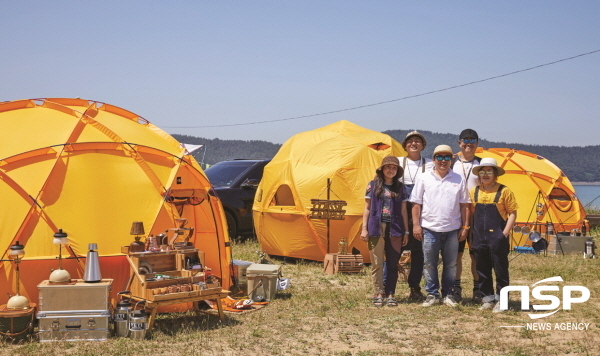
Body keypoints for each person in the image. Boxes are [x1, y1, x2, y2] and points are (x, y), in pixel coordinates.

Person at [410, 145, 471, 307]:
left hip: (452, 229)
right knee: (429, 263)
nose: (443, 161)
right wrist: (416, 225)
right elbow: (416, 204)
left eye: (447, 157)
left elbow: (465, 205)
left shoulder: (459, 178)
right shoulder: (424, 177)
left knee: (451, 264)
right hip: (429, 229)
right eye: (440, 157)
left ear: (452, 159)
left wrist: (465, 227)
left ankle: (448, 294)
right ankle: (432, 294)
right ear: (434, 159)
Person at [470, 158, 518, 312]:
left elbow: (512, 214)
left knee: (501, 269)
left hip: (498, 237)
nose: (485, 174)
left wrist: (504, 234)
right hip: (478, 236)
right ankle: (487, 298)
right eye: (482, 172)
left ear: (495, 174)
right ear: (479, 175)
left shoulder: (505, 191)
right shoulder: (474, 191)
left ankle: (502, 301)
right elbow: (471, 214)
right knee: (482, 269)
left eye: (489, 171)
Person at [361, 156, 409, 307]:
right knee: (377, 263)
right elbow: (367, 208)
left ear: (397, 171)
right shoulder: (372, 185)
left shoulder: (401, 188)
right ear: (382, 169)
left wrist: (406, 231)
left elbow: (403, 211)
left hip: (395, 228)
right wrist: (364, 228)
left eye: (394, 168)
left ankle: (391, 293)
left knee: (393, 263)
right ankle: (378, 292)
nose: (390, 170)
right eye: (388, 167)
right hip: (376, 227)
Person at [398, 131, 434, 301]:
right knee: (393, 252)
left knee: (419, 253)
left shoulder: (430, 163)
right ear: (405, 145)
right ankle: (385, 288)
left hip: (422, 213)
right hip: (400, 213)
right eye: (410, 141)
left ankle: (415, 288)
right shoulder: (397, 162)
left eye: (417, 141)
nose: (414, 143)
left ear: (423, 145)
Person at [451, 128, 482, 302]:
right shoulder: (451, 162)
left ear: (477, 144)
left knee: (475, 254)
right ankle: (456, 287)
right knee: (456, 254)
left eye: (472, 140)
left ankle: (478, 289)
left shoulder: (482, 164)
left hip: (477, 214)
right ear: (459, 143)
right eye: (465, 140)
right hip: (456, 213)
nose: (468, 143)